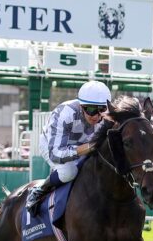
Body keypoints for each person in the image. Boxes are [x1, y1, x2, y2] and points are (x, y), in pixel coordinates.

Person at [25, 80, 112, 212]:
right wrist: (87, 147)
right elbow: (55, 154)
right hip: (52, 146)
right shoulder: (65, 113)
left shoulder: (106, 118)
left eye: (101, 109)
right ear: (81, 106)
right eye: (91, 109)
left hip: (84, 146)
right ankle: (40, 190)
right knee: (68, 172)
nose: (96, 115)